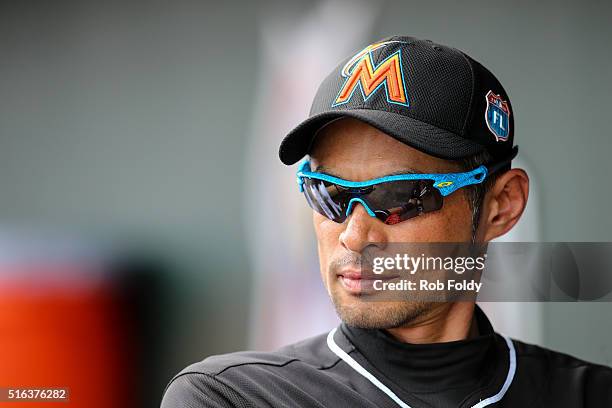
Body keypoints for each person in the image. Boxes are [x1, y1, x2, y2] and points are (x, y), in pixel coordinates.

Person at [161, 36, 612, 407]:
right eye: (329, 193)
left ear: (501, 206)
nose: (355, 237)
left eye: (399, 197)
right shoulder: (233, 397)